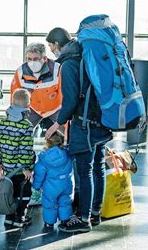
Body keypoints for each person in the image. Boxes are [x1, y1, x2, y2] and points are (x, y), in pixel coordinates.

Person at [45, 27, 113, 233]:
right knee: (98, 167)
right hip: (101, 121)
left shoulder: (69, 64)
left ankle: (83, 219)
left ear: (57, 44)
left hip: (85, 125)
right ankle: (94, 212)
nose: (51, 51)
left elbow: (71, 99)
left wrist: (58, 123)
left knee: (85, 172)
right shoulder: (85, 55)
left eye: (50, 46)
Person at [0, 88, 35, 227]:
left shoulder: (3, 122)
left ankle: (9, 217)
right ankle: (20, 217)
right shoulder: (27, 126)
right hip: (19, 169)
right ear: (28, 106)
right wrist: (27, 168)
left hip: (6, 168)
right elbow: (25, 149)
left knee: (9, 192)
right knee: (24, 192)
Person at [11, 42, 62, 129]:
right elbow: (14, 96)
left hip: (56, 108)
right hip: (33, 108)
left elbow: (64, 94)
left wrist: (64, 115)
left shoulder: (57, 70)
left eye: (36, 59)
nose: (32, 62)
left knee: (67, 134)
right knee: (20, 130)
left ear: (45, 58)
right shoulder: (20, 72)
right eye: (29, 59)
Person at [32, 131, 74, 229]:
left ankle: (49, 223)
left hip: (50, 187)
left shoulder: (44, 158)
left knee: (49, 204)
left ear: (47, 142)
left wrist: (36, 186)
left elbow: (39, 175)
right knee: (65, 202)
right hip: (66, 184)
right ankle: (65, 219)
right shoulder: (67, 154)